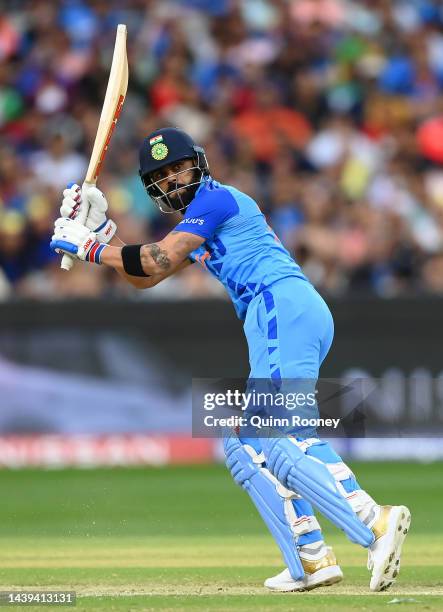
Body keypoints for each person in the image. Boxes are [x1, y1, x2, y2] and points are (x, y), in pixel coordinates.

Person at [50, 127, 411, 593]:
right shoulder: (197, 220)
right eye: (162, 175)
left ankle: (374, 521)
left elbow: (158, 258)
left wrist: (90, 247)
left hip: (282, 305)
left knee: (280, 435)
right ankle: (310, 557)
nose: (173, 179)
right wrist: (103, 232)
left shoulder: (216, 201)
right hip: (270, 317)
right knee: (244, 441)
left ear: (197, 164)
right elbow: (145, 278)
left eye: (178, 167)